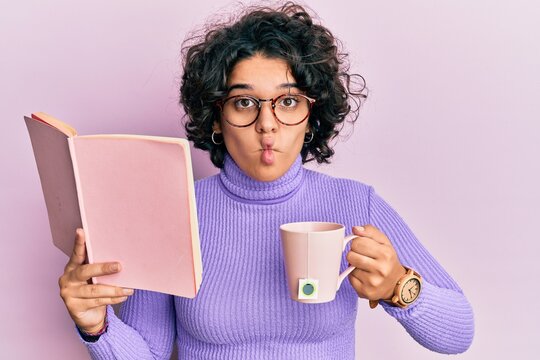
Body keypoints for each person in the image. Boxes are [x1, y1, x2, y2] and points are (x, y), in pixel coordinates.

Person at [58, 2, 474, 359]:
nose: (267, 125)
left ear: (311, 114)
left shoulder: (354, 205)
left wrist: (399, 286)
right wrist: (96, 326)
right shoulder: (172, 213)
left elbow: (459, 333)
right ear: (217, 118)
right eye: (244, 103)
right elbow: (148, 353)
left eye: (288, 101)